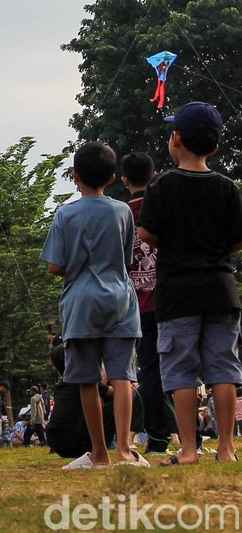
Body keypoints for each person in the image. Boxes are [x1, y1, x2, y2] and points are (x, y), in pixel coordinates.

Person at [138, 102, 242, 465]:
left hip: (177, 290)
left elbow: (147, 233)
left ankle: (187, 449)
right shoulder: (227, 187)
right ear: (213, 147)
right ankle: (227, 449)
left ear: (176, 140)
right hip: (220, 287)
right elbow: (236, 240)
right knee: (223, 367)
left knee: (180, 369)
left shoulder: (162, 186)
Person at [41, 141, 146, 469]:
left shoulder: (65, 214)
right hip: (120, 299)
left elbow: (55, 266)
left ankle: (98, 453)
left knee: (86, 378)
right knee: (122, 376)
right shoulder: (122, 211)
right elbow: (126, 258)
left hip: (81, 302)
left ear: (74, 175)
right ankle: (125, 452)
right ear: (113, 177)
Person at [121, 151, 175, 455]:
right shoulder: (165, 209)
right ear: (153, 174)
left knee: (150, 371)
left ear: (125, 180)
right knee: (182, 366)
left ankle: (157, 438)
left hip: (138, 305)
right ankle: (188, 434)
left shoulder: (122, 214)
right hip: (170, 297)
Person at [46, 344, 116, 460]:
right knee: (116, 406)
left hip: (56, 442)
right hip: (77, 443)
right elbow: (115, 393)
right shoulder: (83, 383)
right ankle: (103, 446)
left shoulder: (61, 387)